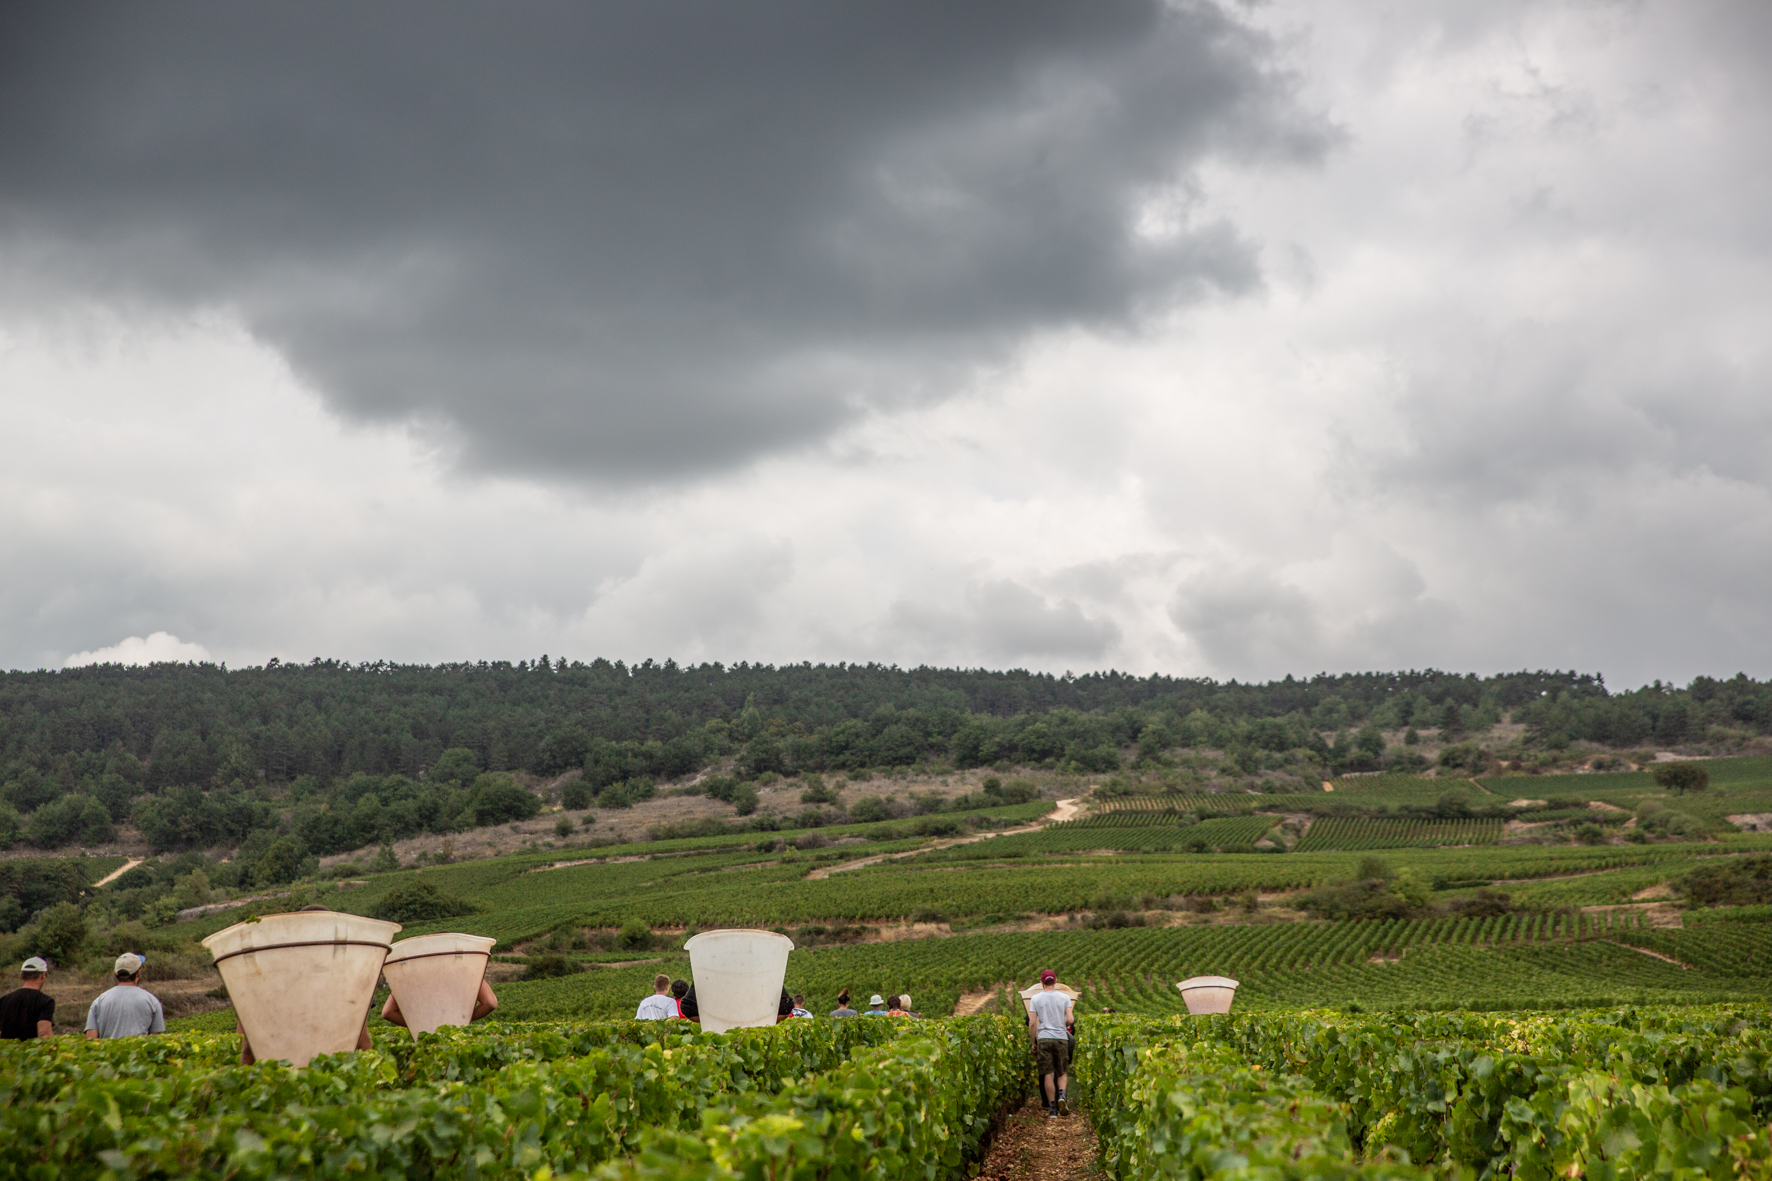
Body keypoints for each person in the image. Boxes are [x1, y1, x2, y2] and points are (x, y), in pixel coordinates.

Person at [239, 905, 369, 1064]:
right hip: (333, 1074)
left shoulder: (271, 978)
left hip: (282, 1074)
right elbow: (362, 1042)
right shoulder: (347, 979)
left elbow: (247, 1049)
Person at [85, 953, 165, 1040]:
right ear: (138, 973)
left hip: (107, 1053)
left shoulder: (99, 1001)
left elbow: (91, 1039)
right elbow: (155, 1040)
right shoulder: (152, 1001)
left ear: (116, 975)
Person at [1028, 970, 1074, 1118]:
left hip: (1044, 1038)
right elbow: (1071, 1020)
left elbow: (1032, 1023)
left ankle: (1053, 1109)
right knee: (1062, 1072)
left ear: (1042, 983)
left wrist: (1033, 1043)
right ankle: (1062, 1096)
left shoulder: (1035, 999)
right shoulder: (1064, 997)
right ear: (1055, 981)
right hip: (1061, 1037)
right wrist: (1062, 1023)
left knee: (1048, 1074)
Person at [384, 979, 498, 1027]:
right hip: (460, 1037)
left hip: (425, 1038)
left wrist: (419, 1026)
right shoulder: (466, 971)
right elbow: (490, 1002)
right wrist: (464, 1019)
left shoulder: (415, 973)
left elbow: (388, 1012)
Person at [0, 956, 55, 1040]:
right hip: (33, 1051)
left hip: (7, 1052)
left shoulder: (4, 1000)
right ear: (43, 976)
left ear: (21, 975)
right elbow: (44, 1033)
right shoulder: (45, 1001)